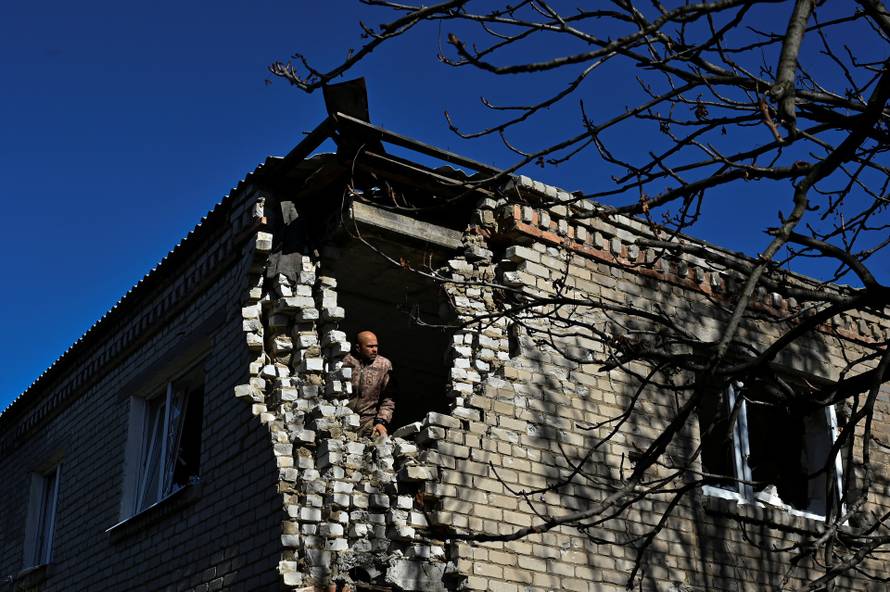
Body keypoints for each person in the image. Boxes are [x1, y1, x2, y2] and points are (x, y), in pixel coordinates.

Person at [342, 330, 395, 437]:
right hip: (342, 418)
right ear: (358, 348)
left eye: (376, 346)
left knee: (381, 439)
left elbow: (389, 398)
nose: (374, 350)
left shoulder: (384, 365)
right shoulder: (344, 361)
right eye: (370, 347)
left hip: (367, 421)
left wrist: (381, 421)